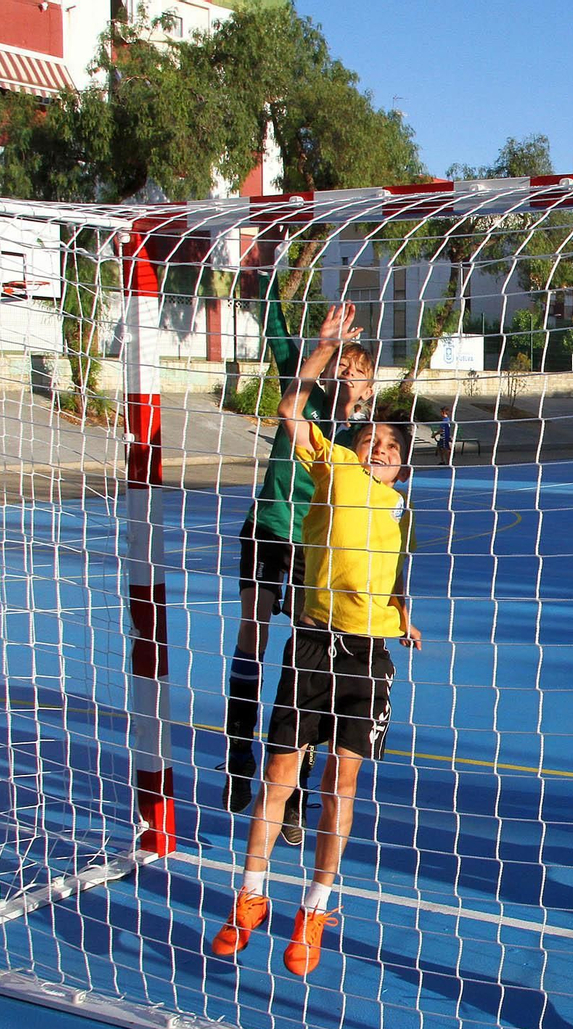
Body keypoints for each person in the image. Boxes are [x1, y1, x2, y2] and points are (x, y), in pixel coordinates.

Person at [212, 304, 421, 975]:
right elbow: (290, 411)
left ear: (403, 468)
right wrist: (326, 348)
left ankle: (317, 906)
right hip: (312, 642)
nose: (379, 450)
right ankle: (250, 895)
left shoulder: (400, 508)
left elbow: (391, 573)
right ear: (353, 448)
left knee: (341, 785)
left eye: (391, 448)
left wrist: (402, 613)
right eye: (372, 442)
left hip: (369, 656)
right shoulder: (333, 465)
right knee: (281, 776)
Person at [223, 247, 376, 849]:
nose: (347, 380)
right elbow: (271, 317)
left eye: (357, 375)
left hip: (316, 552)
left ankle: (294, 795)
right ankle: (238, 752)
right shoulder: (304, 389)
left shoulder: (358, 436)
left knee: (311, 660)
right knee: (252, 634)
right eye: (342, 369)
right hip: (268, 529)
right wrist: (264, 264)